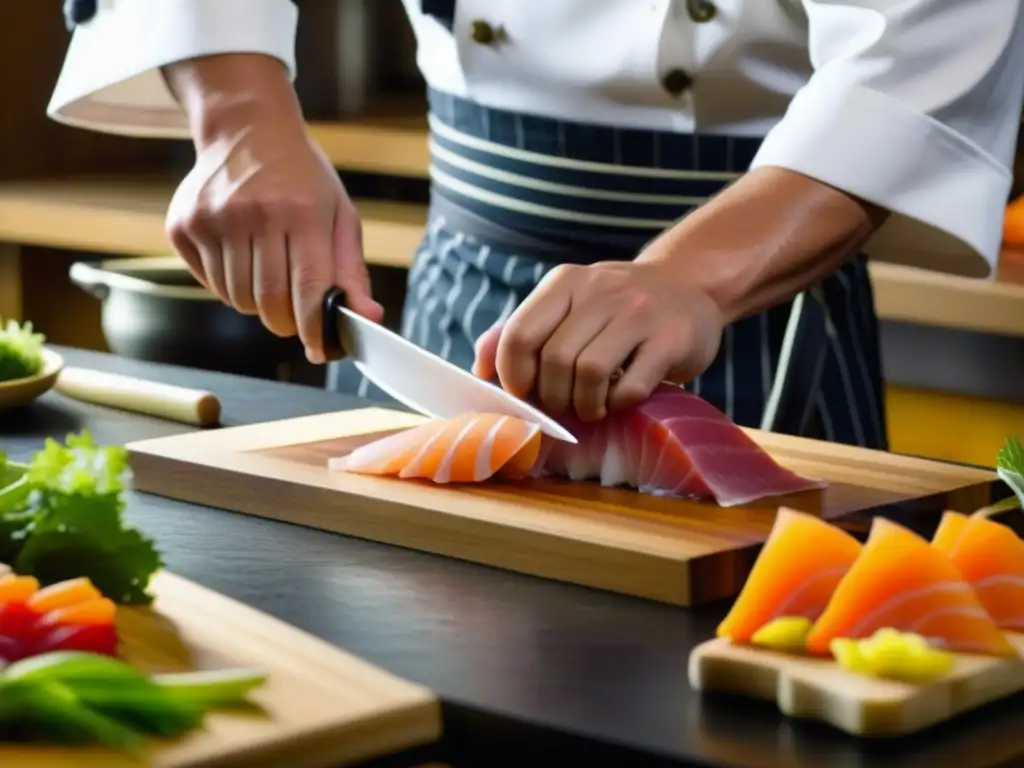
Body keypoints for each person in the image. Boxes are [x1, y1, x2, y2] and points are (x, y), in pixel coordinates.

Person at [48, 0, 1024, 449]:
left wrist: (691, 280)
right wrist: (239, 116)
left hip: (755, 304)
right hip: (453, 286)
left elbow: (916, 61)